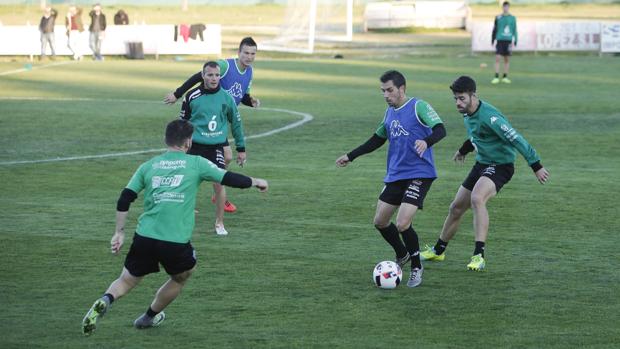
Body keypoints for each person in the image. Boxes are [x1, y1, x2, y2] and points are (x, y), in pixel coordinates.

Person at [81, 119, 268, 336]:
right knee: (182, 275)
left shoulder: (149, 165)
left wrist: (119, 232)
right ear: (188, 142)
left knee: (127, 279)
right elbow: (229, 178)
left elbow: (125, 199)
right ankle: (148, 317)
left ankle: (106, 299)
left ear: (165, 140)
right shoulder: (197, 163)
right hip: (174, 241)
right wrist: (257, 181)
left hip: (144, 236)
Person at [420, 76, 549, 271]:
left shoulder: (492, 117)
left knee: (477, 198)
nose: (458, 103)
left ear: (474, 95)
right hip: (482, 164)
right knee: (456, 207)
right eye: (455, 98)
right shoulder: (467, 112)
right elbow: (476, 134)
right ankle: (439, 251)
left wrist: (536, 165)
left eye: (462, 98)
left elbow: (516, 139)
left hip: (501, 165)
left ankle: (479, 255)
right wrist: (464, 149)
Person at [335, 70, 447, 288]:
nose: (386, 95)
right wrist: (351, 156)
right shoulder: (389, 114)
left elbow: (441, 129)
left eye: (390, 90)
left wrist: (427, 141)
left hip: (420, 173)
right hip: (396, 175)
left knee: (403, 223)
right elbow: (377, 139)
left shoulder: (418, 106)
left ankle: (416, 267)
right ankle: (402, 254)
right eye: (383, 91)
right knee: (380, 221)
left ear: (402, 89)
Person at [164, 37, 260, 213]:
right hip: (204, 120)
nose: (249, 56)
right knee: (195, 165)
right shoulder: (225, 66)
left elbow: (240, 95)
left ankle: (217, 191)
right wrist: (177, 94)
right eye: (245, 53)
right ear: (239, 52)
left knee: (227, 158)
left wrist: (250, 101)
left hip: (218, 123)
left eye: (252, 53)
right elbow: (198, 76)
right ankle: (201, 195)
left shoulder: (249, 72)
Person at [179, 61, 247, 236]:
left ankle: (219, 223)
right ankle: (181, 214)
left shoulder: (226, 98)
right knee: (185, 182)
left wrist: (241, 148)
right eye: (210, 75)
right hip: (194, 146)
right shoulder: (192, 96)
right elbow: (182, 122)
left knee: (219, 182)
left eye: (217, 75)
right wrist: (182, 142)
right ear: (203, 76)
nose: (214, 78)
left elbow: (237, 123)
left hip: (215, 147)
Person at [491, 1, 517, 84]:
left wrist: (515, 39)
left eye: (507, 7)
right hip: (500, 40)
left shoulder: (512, 18)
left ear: (509, 7)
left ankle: (505, 77)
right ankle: (496, 77)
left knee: (506, 59)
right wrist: (493, 39)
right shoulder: (498, 17)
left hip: (508, 40)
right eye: (504, 7)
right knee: (497, 58)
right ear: (502, 7)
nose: (505, 8)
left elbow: (514, 29)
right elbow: (494, 29)